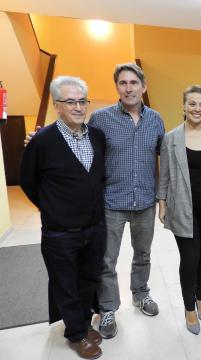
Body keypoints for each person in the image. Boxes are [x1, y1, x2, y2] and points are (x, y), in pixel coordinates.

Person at [24, 63, 165, 339]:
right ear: (117, 88)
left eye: (133, 83)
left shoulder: (156, 120)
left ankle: (141, 294)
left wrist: (163, 197)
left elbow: (163, 156)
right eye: (122, 83)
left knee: (144, 254)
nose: (128, 88)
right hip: (111, 202)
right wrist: (37, 137)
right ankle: (108, 307)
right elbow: (71, 136)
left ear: (143, 87)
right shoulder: (100, 119)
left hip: (145, 201)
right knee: (106, 261)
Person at [20, 76, 106, 359]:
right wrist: (51, 207)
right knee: (65, 283)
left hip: (94, 226)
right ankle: (76, 334)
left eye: (82, 101)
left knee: (88, 279)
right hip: (60, 232)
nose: (79, 107)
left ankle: (81, 322)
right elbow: (28, 182)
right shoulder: (42, 140)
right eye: (71, 101)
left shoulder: (96, 136)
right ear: (57, 105)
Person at [157, 85, 201, 335]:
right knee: (190, 258)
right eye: (192, 104)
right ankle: (189, 307)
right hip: (182, 207)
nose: (197, 108)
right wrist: (161, 202)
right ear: (183, 106)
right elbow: (163, 175)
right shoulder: (171, 138)